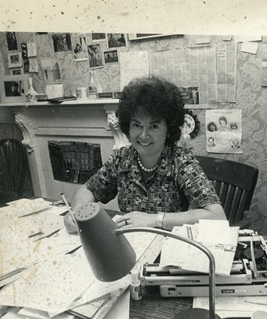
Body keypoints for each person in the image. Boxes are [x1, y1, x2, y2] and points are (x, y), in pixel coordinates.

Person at [64, 76, 226, 233]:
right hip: (131, 244)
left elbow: (217, 216)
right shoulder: (122, 159)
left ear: (168, 129)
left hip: (168, 249)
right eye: (137, 125)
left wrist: (156, 220)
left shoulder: (181, 163)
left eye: (153, 127)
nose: (143, 135)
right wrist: (76, 212)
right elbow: (89, 189)